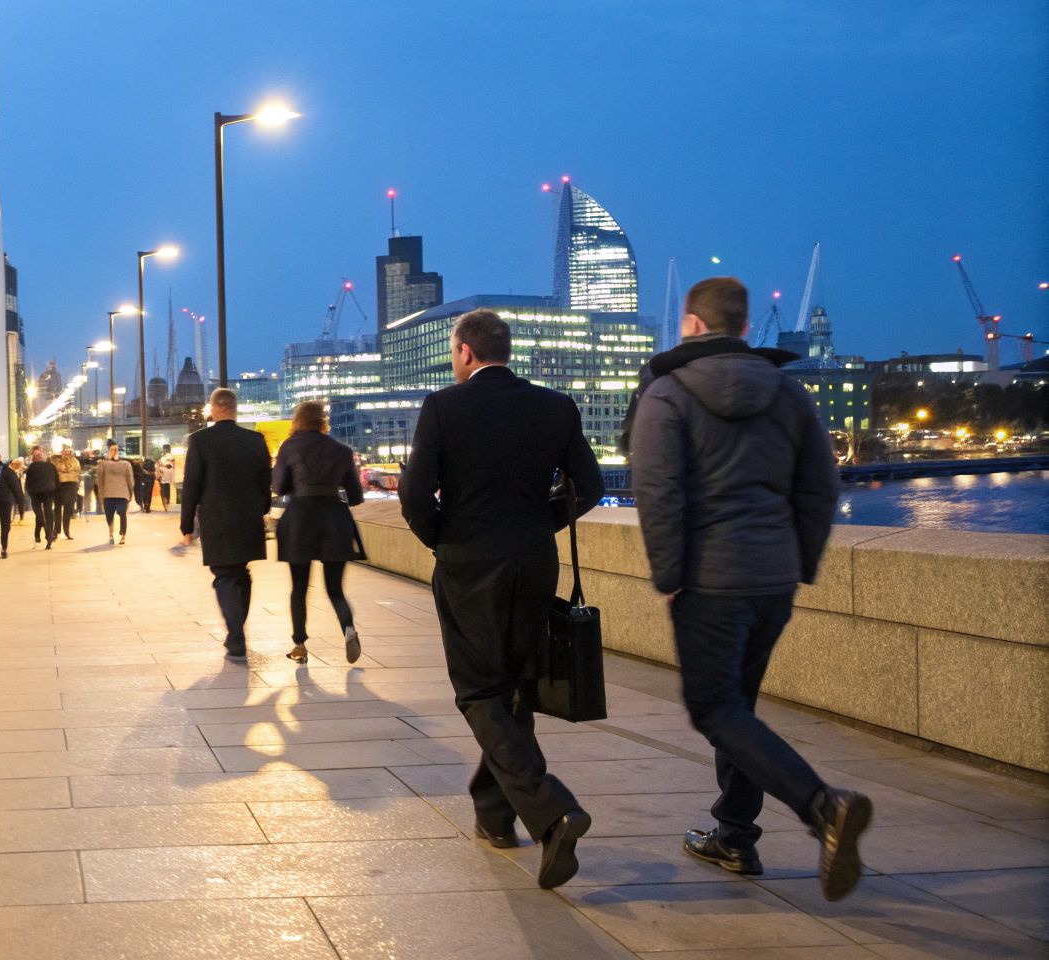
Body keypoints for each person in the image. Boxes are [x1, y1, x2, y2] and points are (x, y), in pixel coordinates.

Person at [630, 277, 871, 902]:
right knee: (739, 706)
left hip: (710, 579)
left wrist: (670, 576)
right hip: (773, 578)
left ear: (691, 324)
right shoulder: (789, 393)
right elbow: (821, 488)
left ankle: (824, 807)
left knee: (715, 709)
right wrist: (798, 563)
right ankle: (735, 836)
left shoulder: (667, 394)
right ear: (743, 327)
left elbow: (658, 494)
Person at [398, 308, 601, 890]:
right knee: (513, 685)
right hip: (533, 561)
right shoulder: (555, 406)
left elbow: (414, 493)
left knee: (478, 690)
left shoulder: (444, 407)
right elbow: (588, 486)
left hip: (469, 565)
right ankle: (494, 815)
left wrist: (444, 538)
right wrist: (537, 526)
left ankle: (551, 810)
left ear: (465, 351)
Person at [179, 388, 272, 662]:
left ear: (214, 408)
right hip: (248, 518)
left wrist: (187, 525)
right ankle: (236, 632)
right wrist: (261, 509)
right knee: (241, 573)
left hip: (217, 518)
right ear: (234, 408)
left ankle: (236, 636)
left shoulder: (200, 441)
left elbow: (191, 486)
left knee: (224, 575)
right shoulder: (255, 440)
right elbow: (265, 480)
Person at [273, 402, 365, 665]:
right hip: (335, 520)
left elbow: (279, 486)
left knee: (299, 588)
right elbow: (355, 496)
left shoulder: (289, 447)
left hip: (300, 521)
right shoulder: (341, 450)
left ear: (298, 420)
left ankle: (299, 644)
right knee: (335, 589)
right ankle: (348, 628)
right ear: (322, 421)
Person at [95, 443, 135, 544]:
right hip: (108, 494)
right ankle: (111, 532)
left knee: (122, 514)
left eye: (116, 449)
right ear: (109, 451)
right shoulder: (103, 464)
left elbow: (130, 480)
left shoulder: (126, 464)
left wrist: (130, 493)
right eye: (112, 449)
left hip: (122, 493)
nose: (114, 451)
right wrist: (101, 494)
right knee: (109, 516)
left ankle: (123, 535)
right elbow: (100, 481)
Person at [25, 446, 61, 550]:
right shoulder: (50, 466)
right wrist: (57, 494)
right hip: (48, 493)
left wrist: (28, 492)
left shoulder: (31, 467)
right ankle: (48, 536)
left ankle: (41, 535)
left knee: (40, 515)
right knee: (48, 515)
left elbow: (28, 482)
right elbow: (57, 480)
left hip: (36, 494)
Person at [54, 445, 82, 540]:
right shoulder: (56, 460)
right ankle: (56, 530)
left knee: (68, 509)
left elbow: (77, 472)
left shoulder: (75, 461)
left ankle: (66, 530)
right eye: (64, 451)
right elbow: (58, 470)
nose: (66, 453)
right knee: (57, 509)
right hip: (59, 486)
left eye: (68, 451)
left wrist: (78, 485)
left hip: (72, 486)